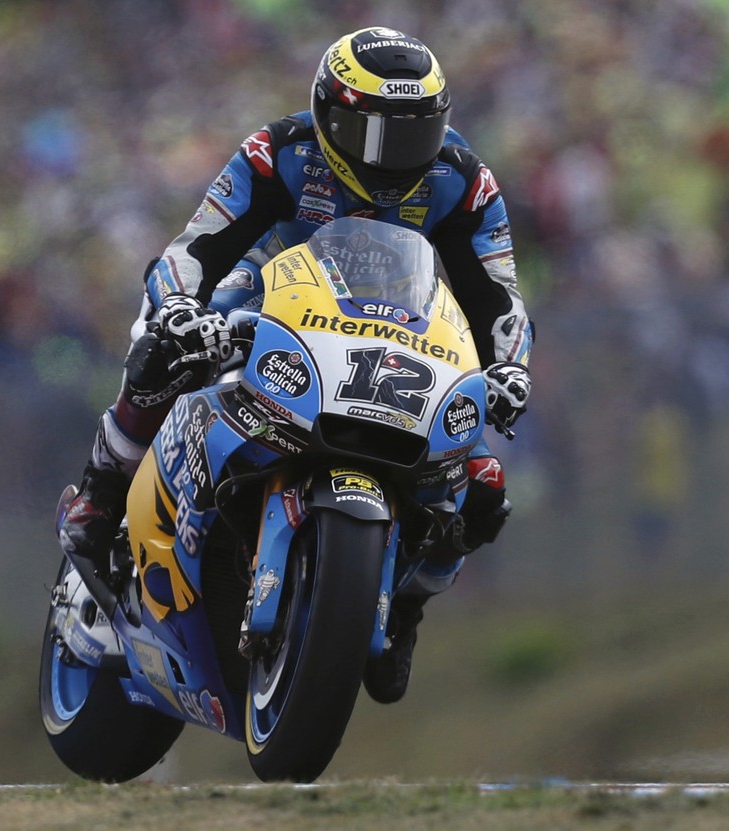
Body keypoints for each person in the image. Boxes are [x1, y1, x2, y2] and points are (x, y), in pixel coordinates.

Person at [57, 27, 534, 704]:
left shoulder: (465, 183)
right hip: (259, 296)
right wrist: (180, 309)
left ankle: (404, 611)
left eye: (413, 135)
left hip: (397, 330)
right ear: (328, 115)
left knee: (482, 488)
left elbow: (500, 297)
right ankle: (99, 496)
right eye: (374, 136)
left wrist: (510, 368)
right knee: (163, 351)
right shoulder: (277, 154)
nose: (394, 159)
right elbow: (193, 248)